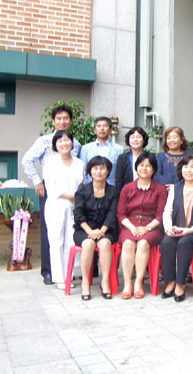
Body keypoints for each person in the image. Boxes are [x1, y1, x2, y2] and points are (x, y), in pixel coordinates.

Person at [22, 105, 81, 285]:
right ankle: (50, 273)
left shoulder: (76, 144)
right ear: (53, 121)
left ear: (70, 121)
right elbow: (27, 160)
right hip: (51, 192)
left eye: (65, 118)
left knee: (70, 237)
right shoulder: (44, 141)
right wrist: (37, 182)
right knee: (52, 235)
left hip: (72, 197)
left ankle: (67, 272)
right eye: (59, 118)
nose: (62, 121)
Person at [160, 155, 193, 302]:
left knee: (184, 243)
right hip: (177, 229)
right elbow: (167, 211)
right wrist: (168, 228)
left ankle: (180, 284)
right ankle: (170, 281)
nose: (188, 170)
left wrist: (190, 230)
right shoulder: (175, 188)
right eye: (185, 167)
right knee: (166, 242)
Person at [117, 152, 168, 299]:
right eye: (141, 165)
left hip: (152, 226)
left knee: (143, 243)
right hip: (130, 225)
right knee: (128, 243)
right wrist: (132, 228)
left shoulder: (160, 189)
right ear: (136, 167)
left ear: (154, 169)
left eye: (148, 166)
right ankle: (127, 283)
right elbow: (121, 214)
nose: (144, 169)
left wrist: (147, 228)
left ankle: (139, 282)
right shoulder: (127, 188)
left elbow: (161, 215)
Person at [73, 156, 119, 300]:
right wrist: (90, 232)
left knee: (104, 243)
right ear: (90, 171)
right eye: (95, 168)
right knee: (88, 243)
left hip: (106, 229)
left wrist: (102, 231)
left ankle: (105, 282)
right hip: (84, 230)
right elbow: (78, 214)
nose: (99, 171)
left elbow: (112, 214)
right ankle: (85, 283)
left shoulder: (113, 191)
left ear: (108, 171)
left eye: (102, 168)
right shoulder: (82, 190)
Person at [44, 130, 85, 289]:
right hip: (56, 204)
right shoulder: (50, 162)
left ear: (72, 143)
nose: (64, 144)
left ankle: (68, 276)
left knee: (70, 241)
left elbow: (81, 185)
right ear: (55, 145)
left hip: (74, 206)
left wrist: (77, 199)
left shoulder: (79, 163)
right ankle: (59, 278)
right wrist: (71, 196)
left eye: (67, 140)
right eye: (60, 141)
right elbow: (50, 187)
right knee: (56, 241)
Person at [80, 117, 124, 186]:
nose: (102, 128)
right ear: (94, 130)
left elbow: (120, 172)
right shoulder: (86, 149)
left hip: (112, 188)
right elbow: (83, 171)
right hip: (91, 188)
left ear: (110, 130)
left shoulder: (119, 149)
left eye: (105, 126)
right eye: (99, 126)